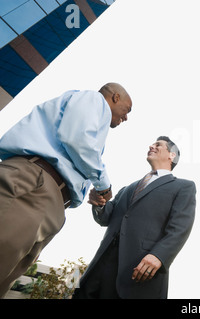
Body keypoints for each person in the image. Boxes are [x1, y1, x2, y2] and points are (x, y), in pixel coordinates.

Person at [0, 83, 132, 298]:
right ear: (115, 97)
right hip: (34, 184)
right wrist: (103, 184)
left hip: (45, 199)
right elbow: (77, 139)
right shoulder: (94, 100)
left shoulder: (93, 115)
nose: (126, 118)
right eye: (128, 110)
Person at [72, 136, 196, 299]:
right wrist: (99, 204)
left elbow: (180, 228)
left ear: (172, 155)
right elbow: (105, 218)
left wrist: (159, 255)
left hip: (139, 268)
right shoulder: (128, 188)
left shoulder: (183, 187)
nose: (151, 146)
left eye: (158, 145)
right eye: (152, 143)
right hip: (102, 264)